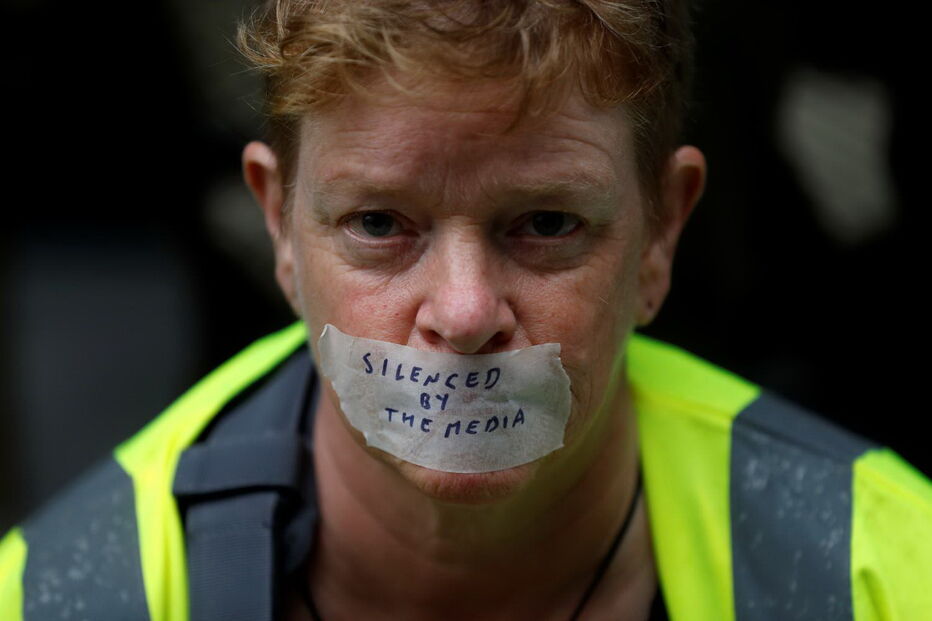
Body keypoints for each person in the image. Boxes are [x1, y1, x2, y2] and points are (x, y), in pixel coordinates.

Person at [2, 1, 930, 620]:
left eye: (546, 222)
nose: (463, 311)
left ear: (660, 233)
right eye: (378, 223)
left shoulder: (886, 567)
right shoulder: (72, 591)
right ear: (280, 227)